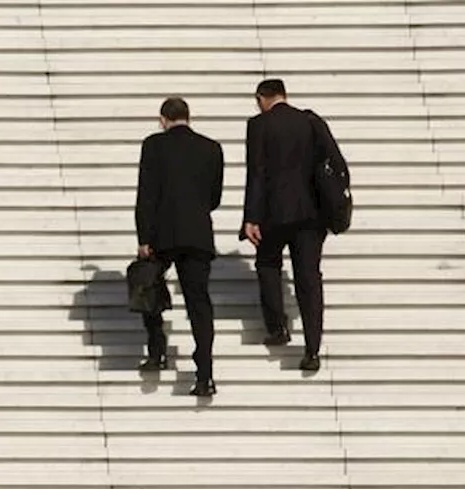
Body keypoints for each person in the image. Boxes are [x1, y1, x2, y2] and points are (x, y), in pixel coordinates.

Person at [240, 78, 333, 373]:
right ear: (284, 95)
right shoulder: (309, 121)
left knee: (268, 264)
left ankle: (277, 325)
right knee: (308, 279)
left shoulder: (259, 125)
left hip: (274, 213)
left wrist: (251, 217)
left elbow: (256, 173)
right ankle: (312, 349)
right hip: (311, 214)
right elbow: (330, 163)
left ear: (260, 98)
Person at [135, 96, 225, 397]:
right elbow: (215, 197)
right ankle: (205, 374)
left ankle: (157, 350)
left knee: (147, 286)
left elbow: (146, 194)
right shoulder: (211, 148)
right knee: (199, 303)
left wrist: (144, 237)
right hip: (197, 234)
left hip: (162, 233)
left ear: (163, 119)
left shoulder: (153, 145)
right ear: (189, 116)